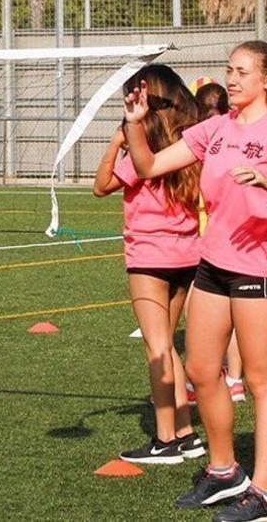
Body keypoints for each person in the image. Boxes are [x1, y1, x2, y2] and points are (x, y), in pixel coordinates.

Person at [125, 42, 267, 522]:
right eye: (228, 70)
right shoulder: (214, 128)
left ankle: (264, 495)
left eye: (242, 71)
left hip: (257, 270)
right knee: (201, 370)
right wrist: (133, 123)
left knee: (261, 380)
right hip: (211, 266)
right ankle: (223, 470)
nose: (231, 79)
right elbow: (149, 166)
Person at [93, 64, 204, 465]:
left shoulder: (146, 155)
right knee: (168, 345)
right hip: (188, 255)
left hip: (150, 258)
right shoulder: (188, 147)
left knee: (157, 348)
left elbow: (99, 186)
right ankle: (187, 432)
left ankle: (165, 440)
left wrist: (117, 140)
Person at [193, 80, 245, 404]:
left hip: (208, 237)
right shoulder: (230, 134)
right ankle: (234, 380)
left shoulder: (204, 139)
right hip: (224, 235)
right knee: (233, 316)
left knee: (203, 312)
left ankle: (217, 379)